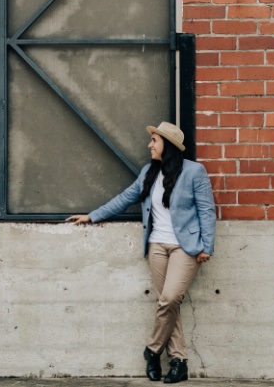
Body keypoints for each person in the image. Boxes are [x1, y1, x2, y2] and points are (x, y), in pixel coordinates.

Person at [67, 121, 216, 384]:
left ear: (168, 145)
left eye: (154, 141)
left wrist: (207, 245)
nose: (150, 145)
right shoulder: (149, 172)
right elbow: (125, 198)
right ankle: (179, 362)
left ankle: (152, 350)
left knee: (170, 298)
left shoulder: (194, 172)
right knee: (169, 305)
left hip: (185, 247)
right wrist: (92, 216)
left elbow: (207, 210)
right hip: (156, 245)